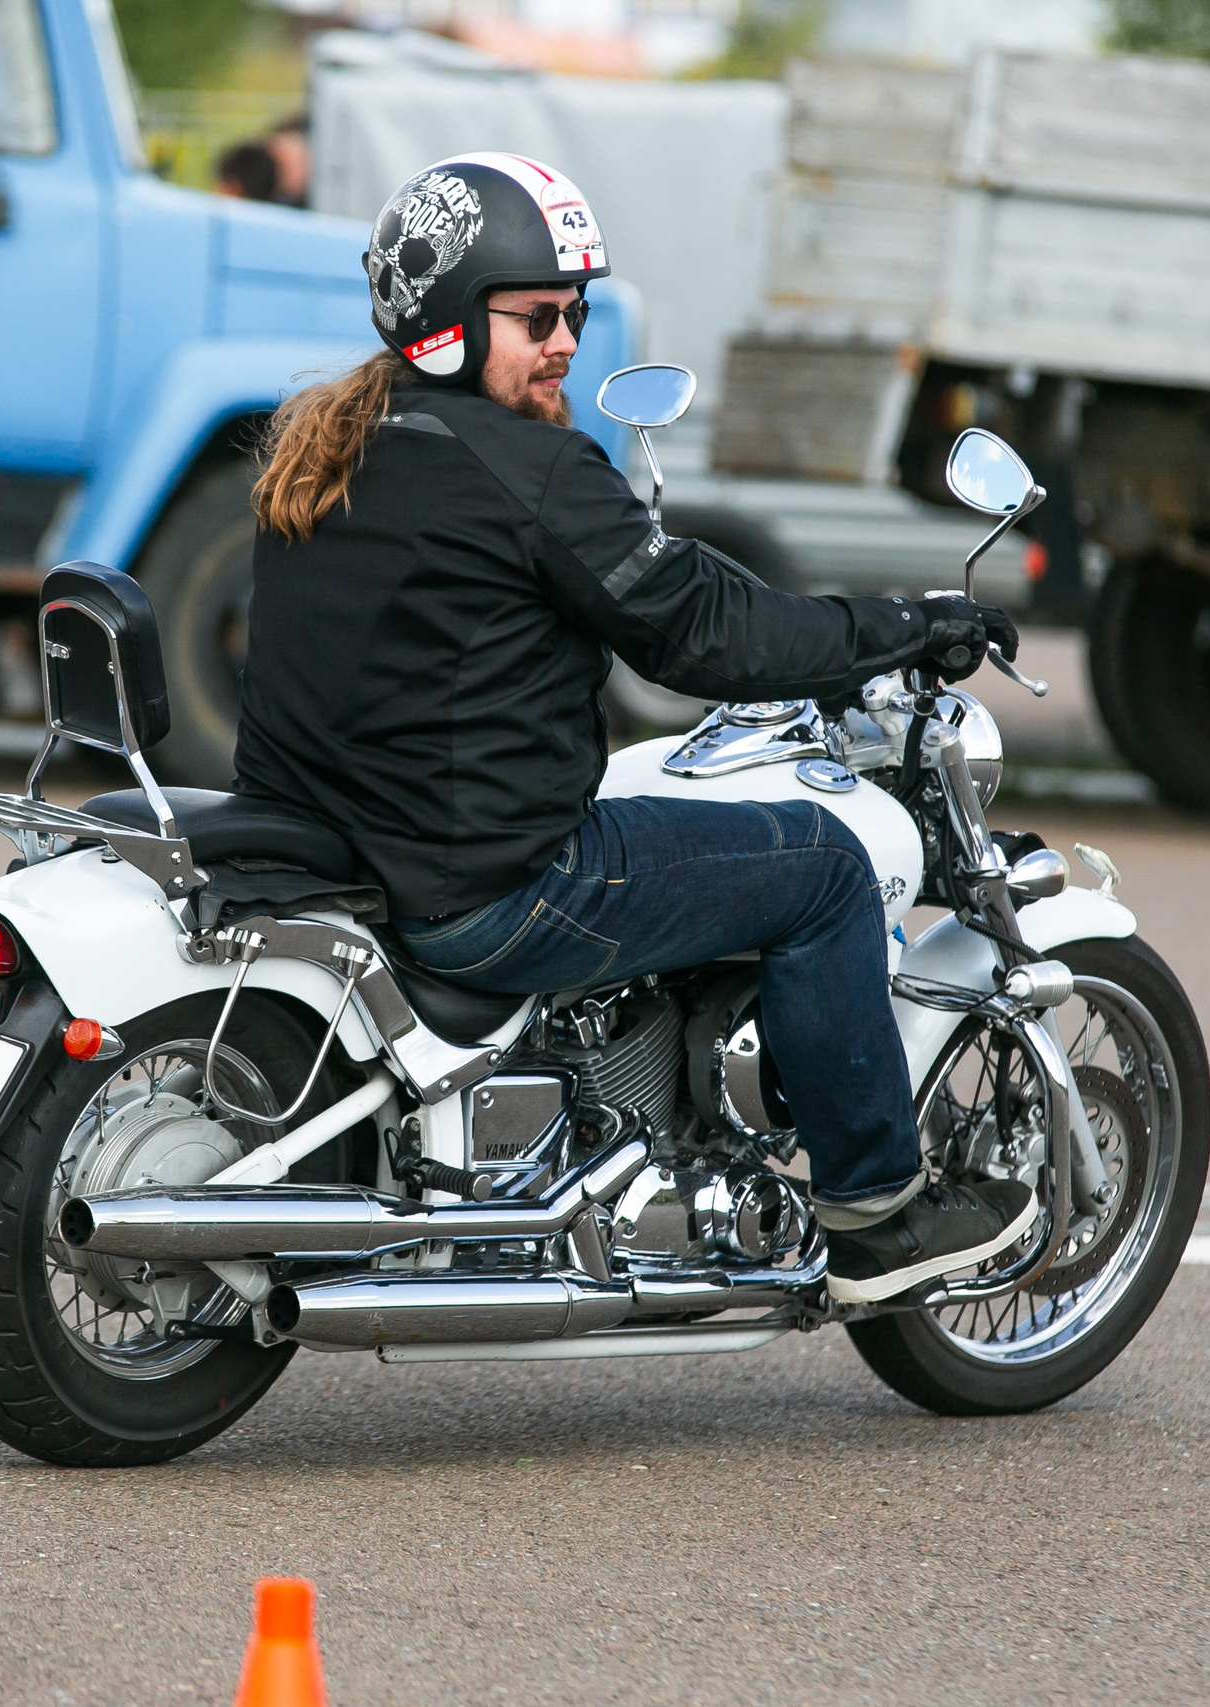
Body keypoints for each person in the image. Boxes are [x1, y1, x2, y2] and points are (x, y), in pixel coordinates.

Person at [231, 153, 1034, 1305]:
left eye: (575, 311)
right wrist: (905, 626)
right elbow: (705, 635)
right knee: (822, 869)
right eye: (536, 318)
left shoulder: (329, 443)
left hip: (349, 856)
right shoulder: (531, 471)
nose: (565, 340)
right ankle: (876, 1216)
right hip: (488, 888)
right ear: (448, 323)